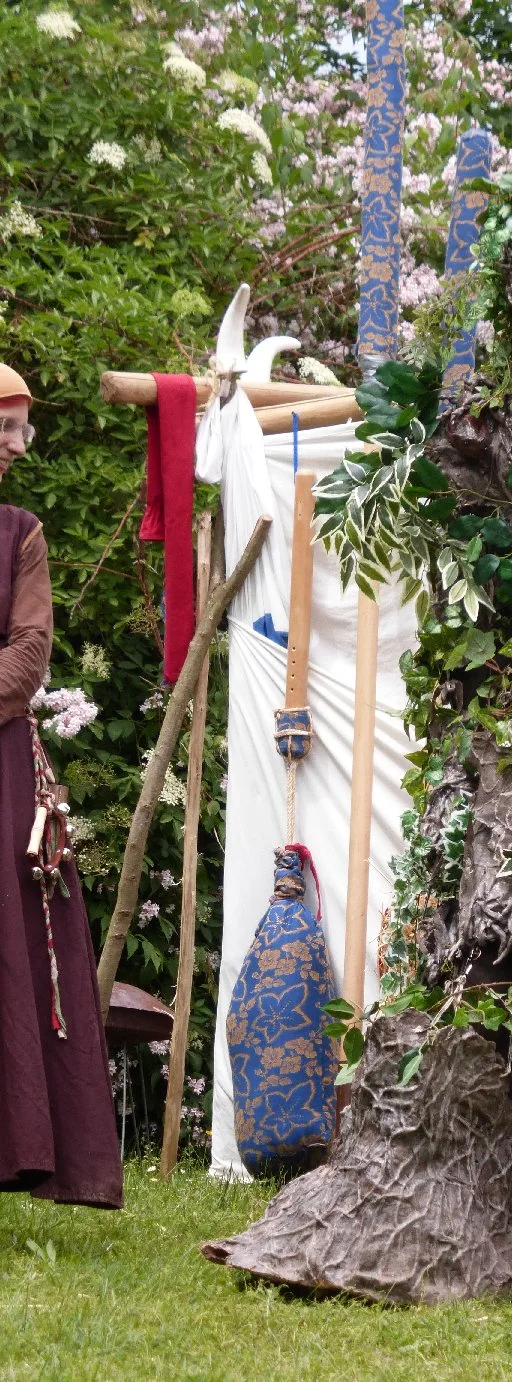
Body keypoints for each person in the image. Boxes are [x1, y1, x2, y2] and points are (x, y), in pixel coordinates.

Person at [0, 362, 123, 1208]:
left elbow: (28, 656)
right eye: (5, 428)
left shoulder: (21, 534)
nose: (18, 446)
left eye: (21, 430)